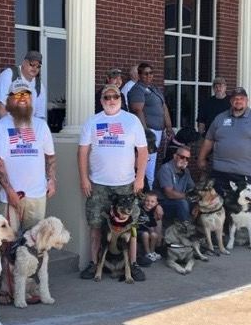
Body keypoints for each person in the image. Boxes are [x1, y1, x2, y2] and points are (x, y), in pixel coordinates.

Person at [0, 80, 56, 304]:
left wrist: (51, 180)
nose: (22, 99)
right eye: (17, 96)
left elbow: (50, 155)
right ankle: (6, 288)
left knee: (36, 244)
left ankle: (29, 286)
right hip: (9, 198)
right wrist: (8, 190)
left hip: (37, 196)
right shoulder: (0, 127)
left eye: (26, 96)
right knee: (8, 245)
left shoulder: (40, 125)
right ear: (9, 100)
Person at [78, 83, 148, 281]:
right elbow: (82, 151)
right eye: (106, 97)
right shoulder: (92, 121)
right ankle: (94, 264)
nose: (111, 100)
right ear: (101, 101)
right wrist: (83, 178)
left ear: (120, 99)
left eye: (114, 97)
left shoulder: (132, 121)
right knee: (96, 225)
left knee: (130, 227)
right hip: (98, 184)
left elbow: (143, 151)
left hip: (125, 185)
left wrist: (140, 177)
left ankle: (132, 265)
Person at [127, 62, 173, 190]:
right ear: (139, 75)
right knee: (148, 160)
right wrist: (146, 132)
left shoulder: (154, 89)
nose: (149, 76)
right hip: (149, 131)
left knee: (153, 160)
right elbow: (137, 110)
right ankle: (148, 190)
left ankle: (150, 188)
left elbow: (163, 107)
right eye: (146, 73)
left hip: (159, 130)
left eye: (151, 73)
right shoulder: (137, 89)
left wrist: (169, 126)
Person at [197, 87, 251, 193]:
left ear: (247, 100)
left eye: (241, 98)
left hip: (245, 174)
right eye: (235, 98)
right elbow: (209, 140)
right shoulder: (220, 118)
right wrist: (201, 158)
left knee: (241, 208)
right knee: (219, 206)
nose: (238, 101)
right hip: (220, 173)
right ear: (231, 101)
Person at [0, 50, 46, 127]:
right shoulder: (8, 75)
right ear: (24, 63)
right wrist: (9, 129)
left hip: (23, 131)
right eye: (32, 64)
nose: (35, 68)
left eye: (38, 66)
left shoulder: (39, 85)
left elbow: (39, 115)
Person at [154, 146, 194, 221]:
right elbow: (169, 194)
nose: (185, 160)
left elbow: (192, 188)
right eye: (182, 157)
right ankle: (185, 227)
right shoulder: (166, 169)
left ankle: (196, 225)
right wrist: (188, 196)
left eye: (187, 158)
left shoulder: (186, 171)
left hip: (179, 200)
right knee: (183, 203)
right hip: (163, 203)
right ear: (175, 156)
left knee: (200, 202)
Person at [138, 191, 163, 261]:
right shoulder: (139, 209)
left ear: (156, 203)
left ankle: (152, 252)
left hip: (146, 230)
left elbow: (152, 226)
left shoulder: (152, 213)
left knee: (154, 235)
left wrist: (152, 233)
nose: (149, 203)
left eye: (152, 202)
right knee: (146, 234)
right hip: (138, 230)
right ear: (144, 201)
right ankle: (147, 253)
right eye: (147, 201)